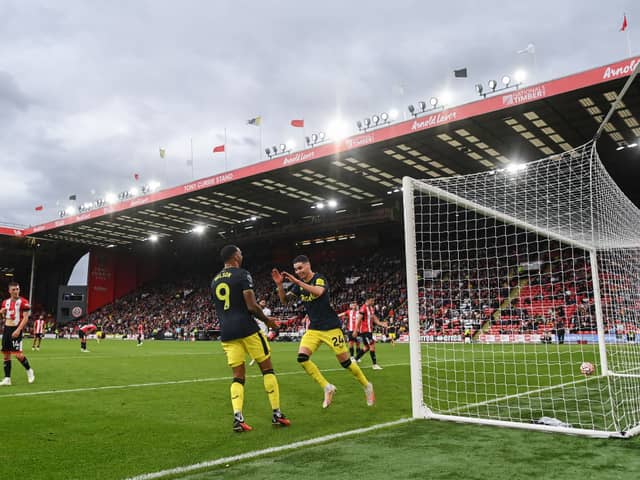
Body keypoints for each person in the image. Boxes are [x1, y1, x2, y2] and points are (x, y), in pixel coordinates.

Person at [272, 255, 375, 408]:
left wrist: (297, 281)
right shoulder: (298, 285)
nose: (298, 271)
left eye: (300, 268)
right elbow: (285, 301)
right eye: (295, 269)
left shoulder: (319, 279)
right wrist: (280, 285)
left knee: (345, 362)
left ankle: (367, 386)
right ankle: (327, 387)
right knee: (302, 358)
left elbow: (318, 292)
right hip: (314, 329)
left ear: (308, 265)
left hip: (331, 328)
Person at [212, 245, 290, 433]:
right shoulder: (242, 274)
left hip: (227, 332)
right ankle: (277, 414)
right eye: (240, 252)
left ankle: (238, 418)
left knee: (238, 376)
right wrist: (268, 321)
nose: (242, 255)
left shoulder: (214, 280)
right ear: (235, 256)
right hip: (247, 329)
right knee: (267, 368)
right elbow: (252, 305)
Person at [0, 281, 35, 386]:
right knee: (6, 355)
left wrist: (18, 330)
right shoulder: (5, 302)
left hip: (16, 329)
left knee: (18, 355)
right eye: (14, 289)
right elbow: (4, 316)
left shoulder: (24, 302)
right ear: (9, 291)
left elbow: (25, 318)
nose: (16, 291)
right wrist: (2, 313)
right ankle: (7, 379)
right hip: (6, 329)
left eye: (17, 289)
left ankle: (29, 370)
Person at [354, 297, 387, 370]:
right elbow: (359, 319)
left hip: (369, 331)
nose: (373, 302)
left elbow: (373, 318)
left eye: (373, 300)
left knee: (366, 347)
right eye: (372, 300)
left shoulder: (371, 308)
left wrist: (381, 323)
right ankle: (374, 365)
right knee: (372, 346)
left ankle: (354, 360)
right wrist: (356, 330)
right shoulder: (363, 308)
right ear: (367, 300)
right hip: (365, 331)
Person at [249, 299, 270, 366]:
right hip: (256, 330)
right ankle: (257, 358)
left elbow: (267, 319)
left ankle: (256, 359)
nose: (264, 303)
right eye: (262, 302)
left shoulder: (267, 311)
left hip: (264, 330)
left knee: (263, 346)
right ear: (259, 303)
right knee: (258, 346)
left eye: (264, 302)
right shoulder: (255, 309)